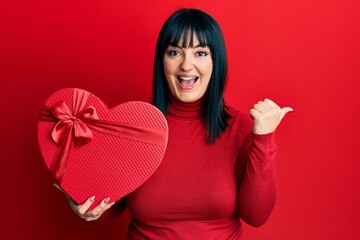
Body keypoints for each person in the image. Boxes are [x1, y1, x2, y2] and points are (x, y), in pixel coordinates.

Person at [55, 8, 292, 239]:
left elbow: (256, 216)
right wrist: (83, 201)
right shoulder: (132, 127)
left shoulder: (239, 127)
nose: (186, 66)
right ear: (162, 60)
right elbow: (112, 209)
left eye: (200, 53)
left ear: (215, 61)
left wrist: (264, 138)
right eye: (175, 52)